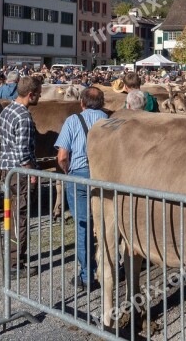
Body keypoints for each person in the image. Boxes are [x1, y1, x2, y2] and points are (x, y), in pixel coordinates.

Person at [55, 87, 109, 288]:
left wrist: (68, 172)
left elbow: (62, 156)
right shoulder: (110, 121)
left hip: (80, 176)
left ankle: (87, 275)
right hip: (106, 177)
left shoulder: (72, 121)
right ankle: (113, 268)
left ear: (82, 103)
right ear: (102, 103)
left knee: (83, 225)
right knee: (109, 224)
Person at [0, 75, 41, 276]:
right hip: (19, 173)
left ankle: (8, 256)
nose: (39, 97)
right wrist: (31, 172)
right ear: (30, 95)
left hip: (7, 169)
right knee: (20, 217)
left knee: (10, 216)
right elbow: (23, 151)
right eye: (38, 94)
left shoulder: (7, 110)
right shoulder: (23, 116)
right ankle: (15, 264)